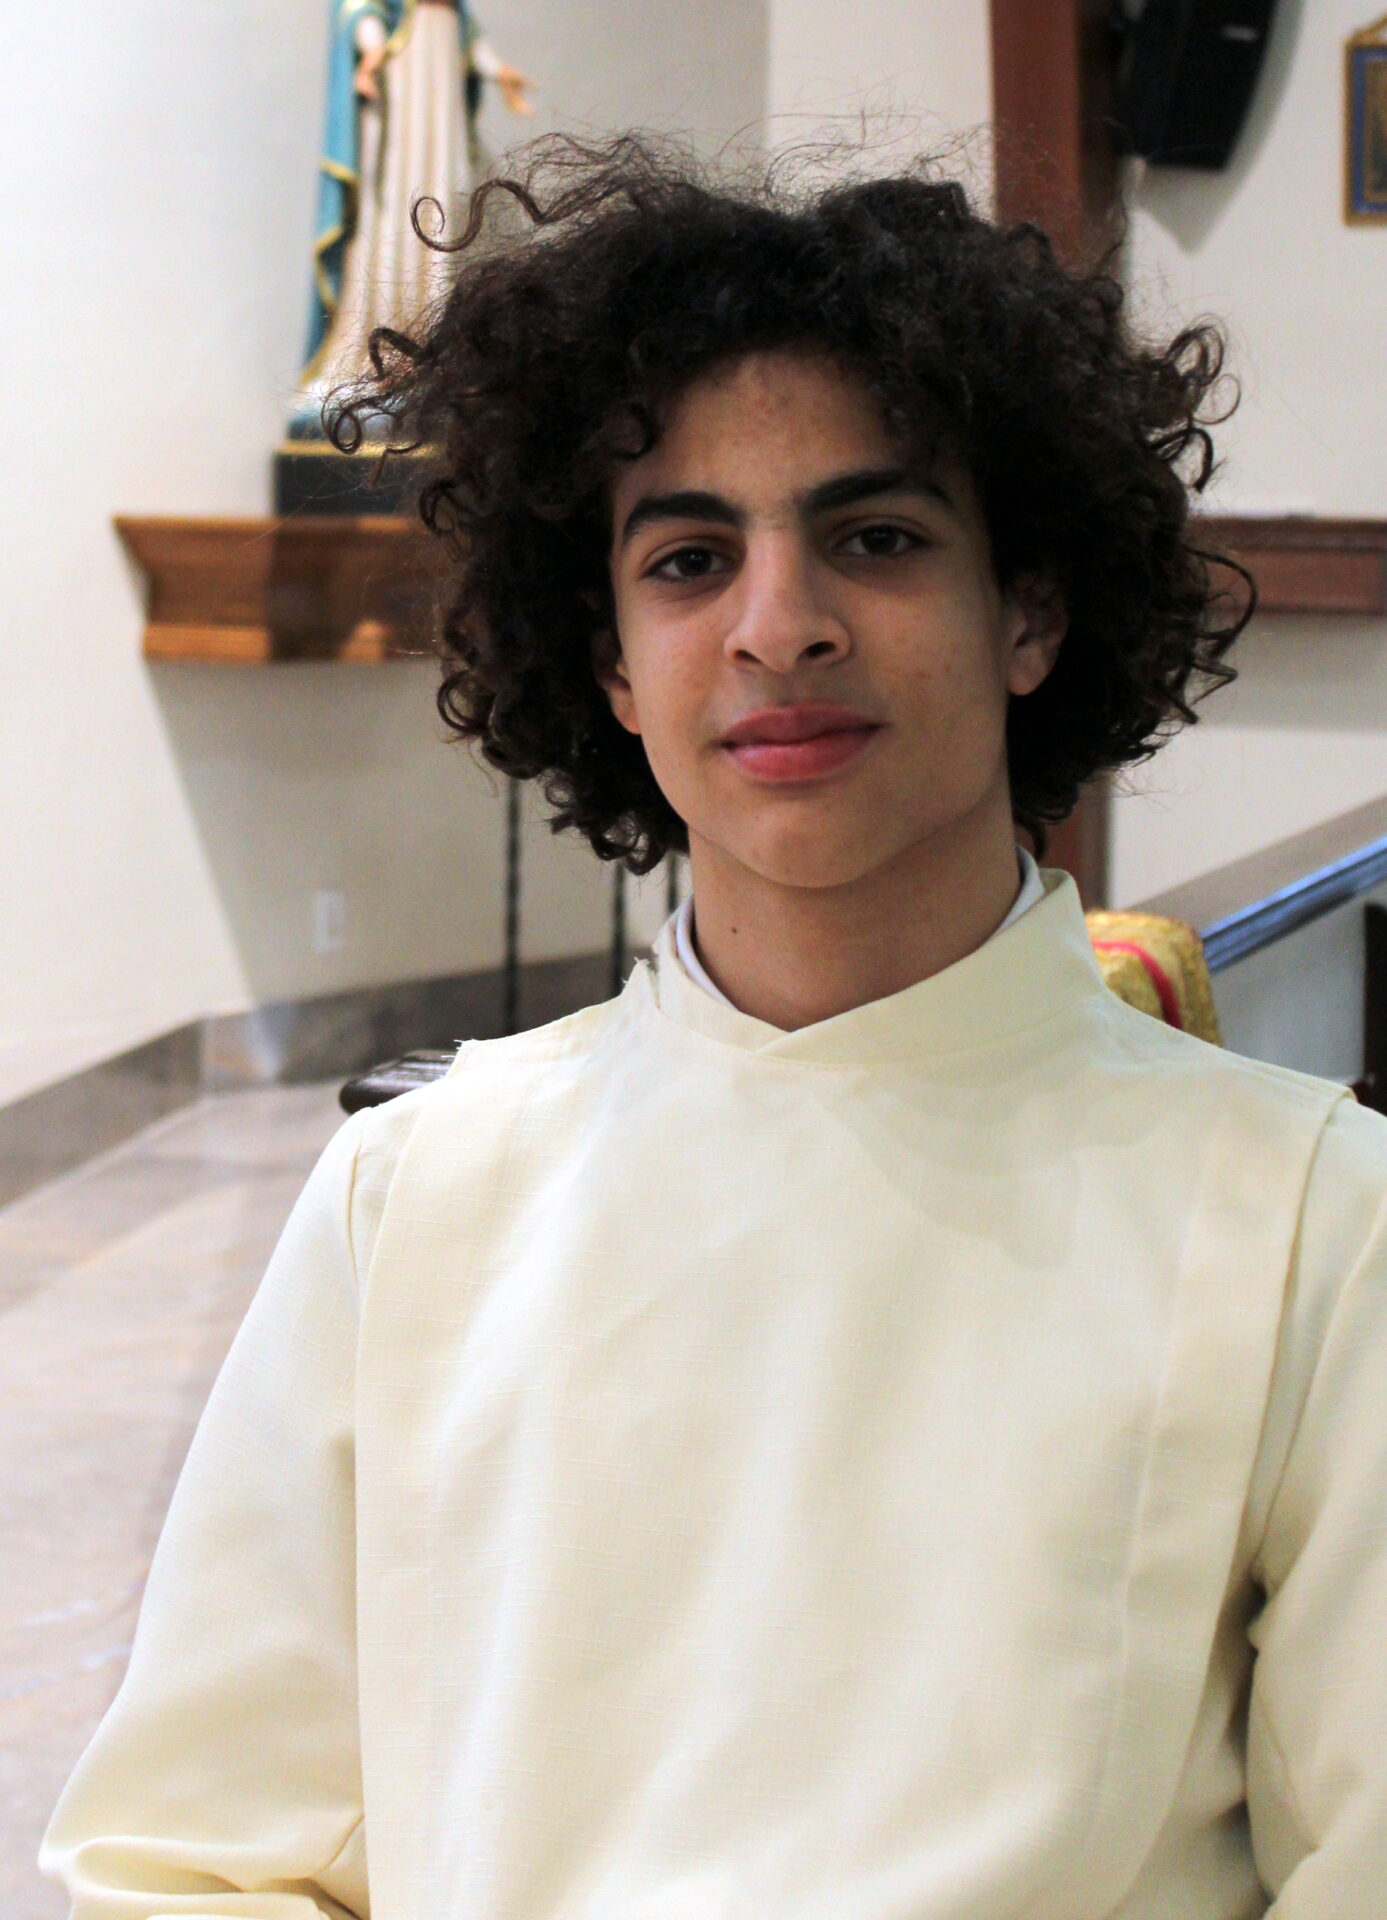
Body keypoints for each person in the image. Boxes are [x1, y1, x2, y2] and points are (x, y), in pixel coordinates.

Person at [43, 137, 1387, 1917]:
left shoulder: (1306, 1220)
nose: (779, 628)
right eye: (686, 560)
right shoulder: (416, 1192)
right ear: (606, 659)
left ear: (1031, 613)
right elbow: (196, 1857)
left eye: (877, 537)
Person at [293, 0, 532, 430]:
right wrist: (372, 50)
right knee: (397, 207)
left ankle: (433, 351)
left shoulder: (449, 14)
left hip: (439, 93)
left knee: (444, 196)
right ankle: (378, 356)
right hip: (399, 84)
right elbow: (360, 8)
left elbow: (465, 33)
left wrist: (498, 71)